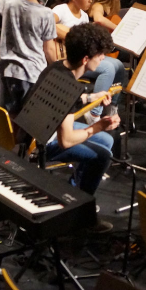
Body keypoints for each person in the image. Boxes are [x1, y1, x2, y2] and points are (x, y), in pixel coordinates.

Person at [39, 24, 120, 206]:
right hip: (43, 142)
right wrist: (98, 126)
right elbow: (66, 141)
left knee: (107, 140)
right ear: (85, 59)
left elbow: (65, 103)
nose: (103, 58)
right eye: (100, 54)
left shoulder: (57, 67)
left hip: (44, 126)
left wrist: (91, 97)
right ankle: (79, 205)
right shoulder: (68, 87)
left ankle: (75, 189)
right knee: (102, 155)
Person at [0, 0, 58, 115]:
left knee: (9, 117)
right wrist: (59, 69)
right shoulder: (46, 13)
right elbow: (49, 49)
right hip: (32, 73)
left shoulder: (8, 3)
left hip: (8, 70)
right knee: (28, 118)